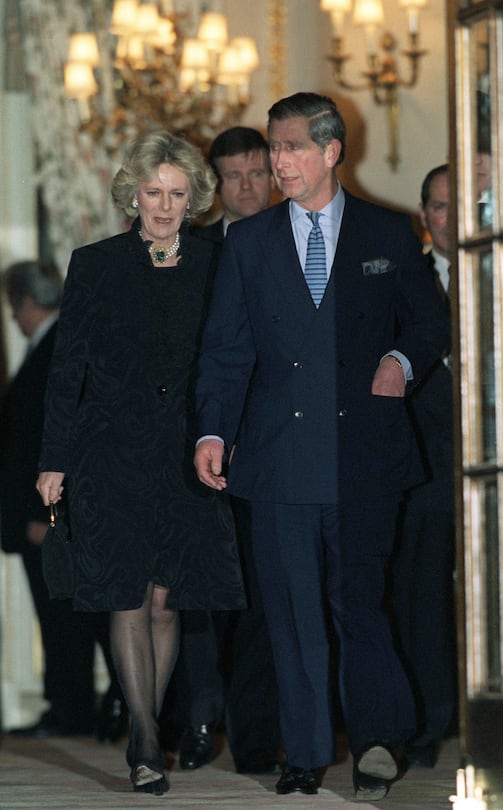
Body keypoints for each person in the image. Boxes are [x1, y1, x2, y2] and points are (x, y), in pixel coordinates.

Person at [194, 92, 449, 801]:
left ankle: (373, 742)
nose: (278, 162)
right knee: (292, 613)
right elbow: (224, 351)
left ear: (332, 151)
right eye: (274, 148)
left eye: (293, 147)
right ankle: (304, 752)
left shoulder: (388, 233)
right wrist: (213, 431)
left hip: (365, 455)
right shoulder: (247, 243)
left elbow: (428, 325)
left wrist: (399, 361)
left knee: (359, 604)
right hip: (276, 459)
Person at [35, 131, 245, 796]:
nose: (163, 205)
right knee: (126, 591)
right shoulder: (94, 264)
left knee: (165, 599)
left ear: (195, 199)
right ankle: (145, 734)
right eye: (153, 192)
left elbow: (232, 360)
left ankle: (147, 723)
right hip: (109, 452)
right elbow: (67, 369)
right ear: (133, 193)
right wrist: (54, 460)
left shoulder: (217, 263)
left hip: (187, 453)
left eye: (177, 194)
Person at [160, 127, 281, 775]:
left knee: (268, 592)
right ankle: (202, 717)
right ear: (215, 184)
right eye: (232, 176)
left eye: (256, 172)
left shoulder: (303, 239)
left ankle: (259, 726)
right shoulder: (191, 252)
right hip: (199, 449)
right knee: (199, 594)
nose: (246, 187)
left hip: (275, 449)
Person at [0, 259, 126, 741]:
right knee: (71, 615)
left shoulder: (56, 349)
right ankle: (72, 706)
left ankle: (74, 709)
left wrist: (47, 517)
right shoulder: (54, 345)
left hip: (50, 515)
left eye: (15, 305)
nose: (14, 316)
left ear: (27, 302)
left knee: (71, 618)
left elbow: (56, 440)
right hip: (46, 514)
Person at [389, 164, 458, 768]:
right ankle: (429, 723)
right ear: (424, 217)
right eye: (439, 206)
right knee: (423, 599)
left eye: (465, 204)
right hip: (428, 464)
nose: (453, 217)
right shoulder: (405, 280)